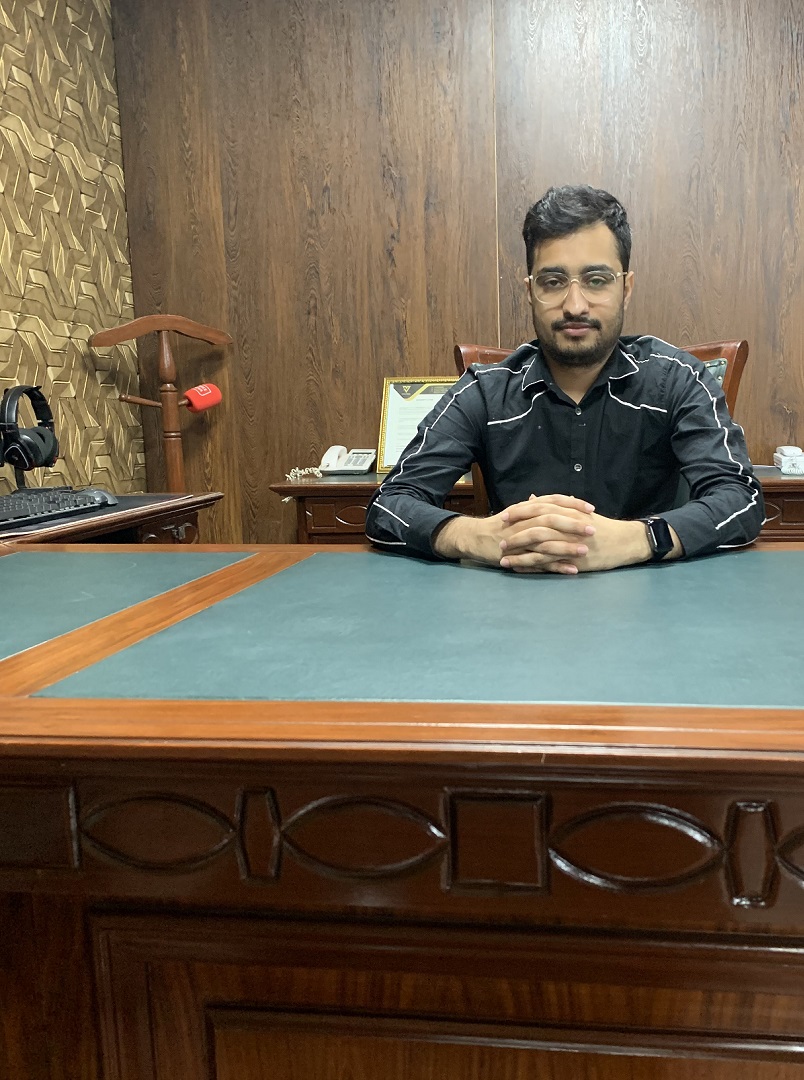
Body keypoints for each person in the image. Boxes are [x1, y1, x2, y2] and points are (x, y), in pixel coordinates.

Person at [365, 185, 764, 574]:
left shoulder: (678, 380)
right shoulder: (484, 392)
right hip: (513, 599)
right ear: (530, 291)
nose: (575, 305)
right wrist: (475, 537)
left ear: (626, 288)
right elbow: (390, 504)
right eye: (553, 282)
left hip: (653, 600)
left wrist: (638, 539)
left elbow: (740, 499)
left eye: (597, 280)